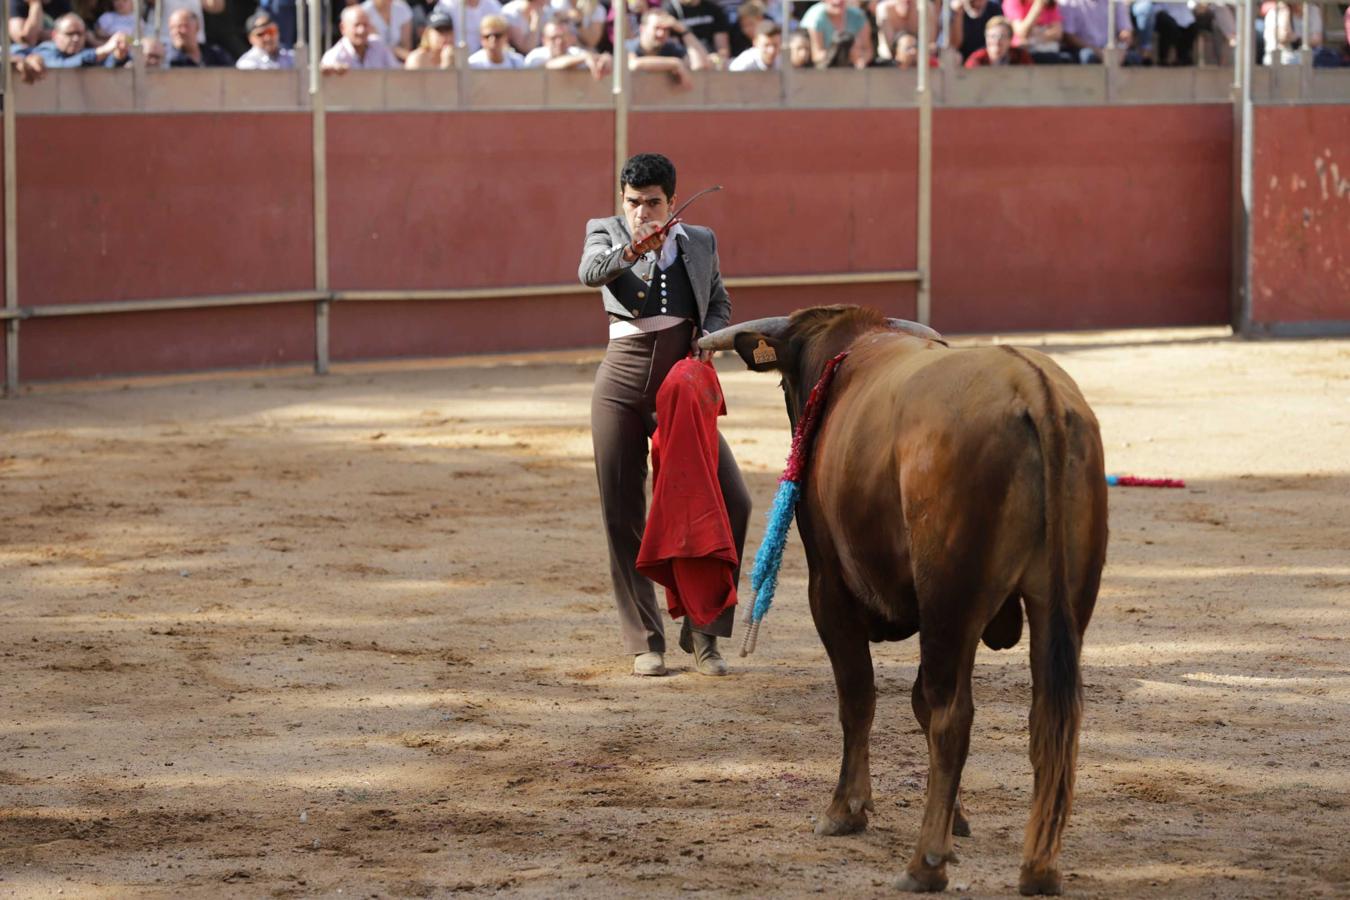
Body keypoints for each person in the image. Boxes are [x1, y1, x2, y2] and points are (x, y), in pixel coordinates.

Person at [579, 152, 751, 678]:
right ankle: (643, 640)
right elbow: (590, 273)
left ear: (672, 201)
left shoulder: (699, 241)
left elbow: (719, 301)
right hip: (621, 385)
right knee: (621, 511)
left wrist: (709, 340)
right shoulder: (605, 232)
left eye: (653, 202)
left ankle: (704, 633)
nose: (642, 211)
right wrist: (634, 246)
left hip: (679, 385)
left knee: (732, 501)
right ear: (622, 200)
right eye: (633, 202)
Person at [629, 9, 709, 87]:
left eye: (666, 29)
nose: (661, 34)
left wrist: (684, 31)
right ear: (642, 28)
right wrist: (675, 63)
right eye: (657, 28)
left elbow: (700, 65)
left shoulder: (670, 48)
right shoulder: (629, 46)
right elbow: (634, 64)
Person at [28, 11, 131, 65]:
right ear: (55, 35)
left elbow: (105, 67)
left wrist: (119, 56)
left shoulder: (86, 52)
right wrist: (103, 50)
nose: (76, 38)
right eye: (70, 34)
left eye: (80, 34)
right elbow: (63, 65)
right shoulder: (45, 50)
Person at [523, 16, 612, 74]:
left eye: (563, 37)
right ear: (544, 40)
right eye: (554, 38)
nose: (559, 42)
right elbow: (550, 65)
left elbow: (592, 59)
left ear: (571, 38)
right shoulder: (536, 55)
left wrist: (603, 60)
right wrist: (584, 58)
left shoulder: (576, 52)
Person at [322, 4, 400, 68]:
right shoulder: (334, 58)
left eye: (365, 25)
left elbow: (395, 73)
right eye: (356, 25)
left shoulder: (378, 45)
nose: (361, 30)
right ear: (343, 28)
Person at [800, 0, 873, 67]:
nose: (838, 1)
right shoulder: (815, 17)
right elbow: (815, 55)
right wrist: (836, 53)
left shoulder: (858, 16)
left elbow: (867, 50)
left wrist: (860, 60)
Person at [661, 0, 731, 66]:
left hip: (713, 63)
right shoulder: (670, 10)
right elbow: (675, 50)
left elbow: (723, 50)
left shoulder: (713, 9)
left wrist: (717, 59)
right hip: (688, 61)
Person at [166, 7, 233, 65]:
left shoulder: (216, 55)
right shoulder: (167, 59)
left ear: (197, 27)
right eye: (172, 28)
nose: (177, 32)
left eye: (182, 26)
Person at [964, 14, 1033, 63]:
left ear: (1010, 39)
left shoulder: (1021, 57)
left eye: (1002, 36)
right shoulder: (977, 59)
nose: (996, 41)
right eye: (992, 36)